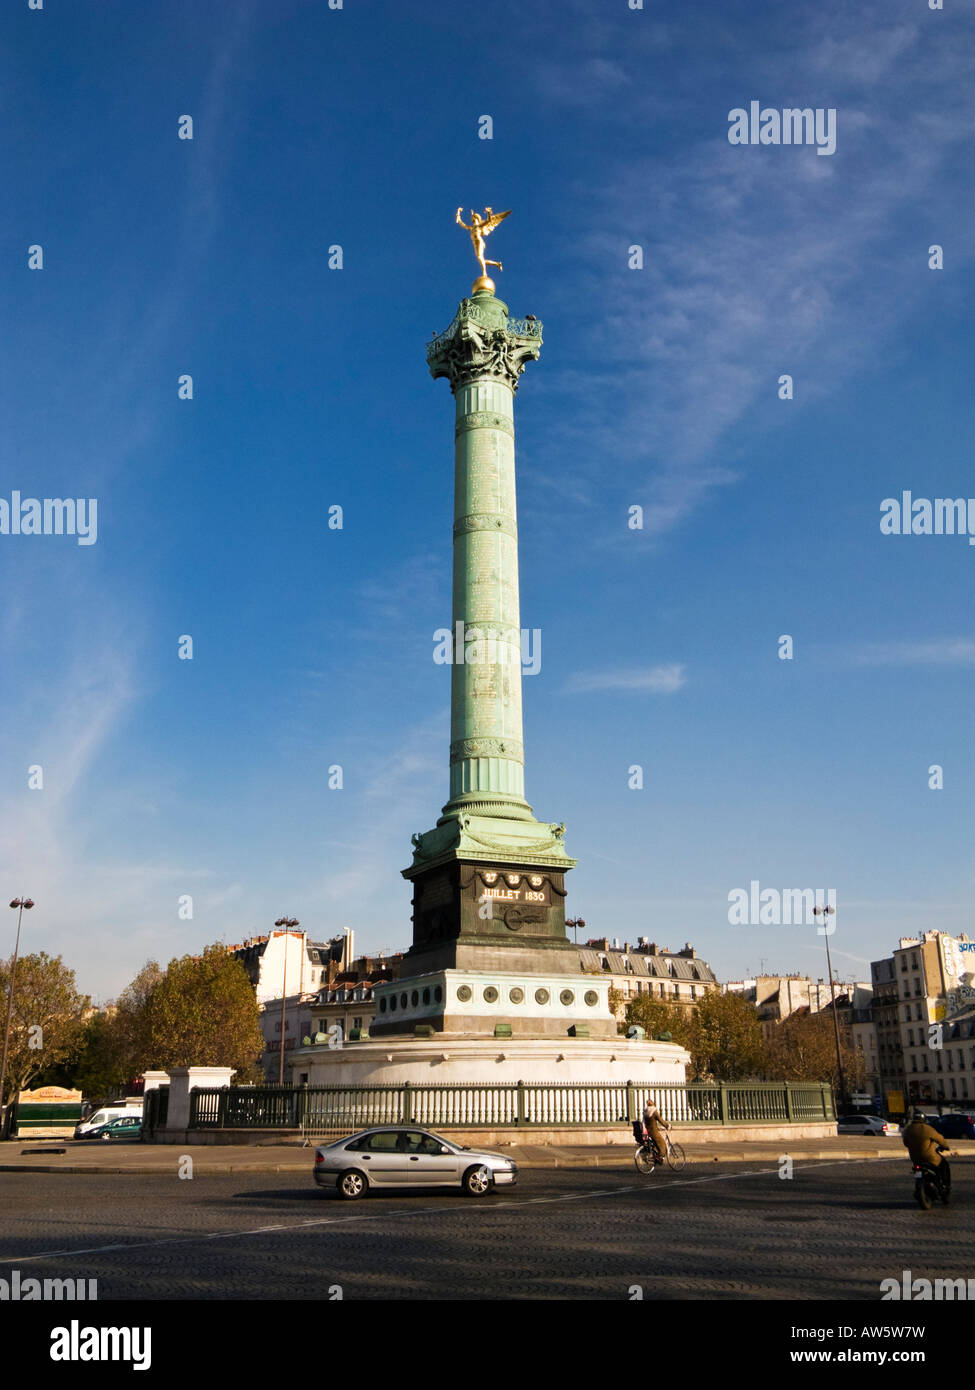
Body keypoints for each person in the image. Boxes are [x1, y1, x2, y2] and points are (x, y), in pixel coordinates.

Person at [902, 1110, 955, 1192]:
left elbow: (906, 1143)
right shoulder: (927, 1129)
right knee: (944, 1164)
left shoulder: (908, 1129)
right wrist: (945, 1146)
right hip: (929, 1157)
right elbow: (940, 1139)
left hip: (915, 1158)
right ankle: (945, 1185)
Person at [642, 1096, 670, 1163]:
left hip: (648, 1132)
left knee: (656, 1144)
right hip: (653, 1132)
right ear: (653, 1103)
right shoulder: (654, 1111)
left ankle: (657, 1157)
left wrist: (658, 1128)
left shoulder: (645, 1112)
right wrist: (667, 1126)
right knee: (663, 1145)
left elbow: (649, 1123)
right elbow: (660, 1120)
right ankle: (658, 1157)